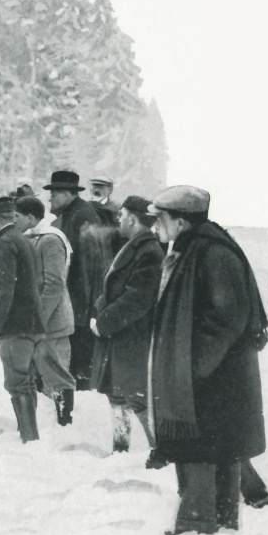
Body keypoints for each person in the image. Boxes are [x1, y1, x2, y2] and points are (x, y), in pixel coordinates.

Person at [149, 185, 268, 535]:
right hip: (216, 377)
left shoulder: (211, 253)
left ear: (182, 222)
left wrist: (193, 366)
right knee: (217, 450)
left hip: (214, 378)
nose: (156, 225)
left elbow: (228, 315)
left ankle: (198, 526)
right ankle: (217, 524)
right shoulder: (198, 247)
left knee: (202, 450)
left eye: (162, 218)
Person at [88, 196, 163, 457]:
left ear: (132, 218)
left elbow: (137, 299)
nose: (118, 219)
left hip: (133, 337)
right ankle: (120, 450)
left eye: (121, 215)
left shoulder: (149, 250)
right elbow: (116, 288)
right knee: (118, 395)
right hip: (122, 336)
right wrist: (101, 308)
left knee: (137, 398)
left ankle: (161, 452)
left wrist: (104, 323)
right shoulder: (136, 245)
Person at [0, 196, 45, 443]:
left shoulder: (5, 243)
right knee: (27, 382)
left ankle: (29, 440)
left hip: (15, 327)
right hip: (32, 325)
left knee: (17, 383)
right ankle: (28, 436)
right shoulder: (23, 240)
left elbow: (3, 289)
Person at [12, 195, 76, 426]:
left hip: (51, 324)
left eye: (17, 216)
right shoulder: (30, 238)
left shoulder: (50, 240)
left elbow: (54, 284)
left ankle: (64, 425)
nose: (14, 221)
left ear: (31, 217)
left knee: (56, 377)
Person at [44, 170, 110, 391]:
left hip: (81, 303)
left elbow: (88, 265)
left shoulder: (82, 215)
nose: (50, 198)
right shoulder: (75, 213)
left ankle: (77, 409)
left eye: (53, 193)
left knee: (81, 362)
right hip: (80, 301)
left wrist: (82, 309)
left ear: (66, 193)